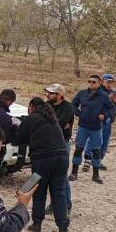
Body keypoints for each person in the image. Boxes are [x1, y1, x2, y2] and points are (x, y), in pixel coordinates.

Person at [15, 97, 71, 232]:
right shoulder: (52, 118)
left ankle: (37, 224)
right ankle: (63, 229)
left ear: (31, 106)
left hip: (42, 159)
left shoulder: (31, 118)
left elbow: (19, 139)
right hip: (62, 158)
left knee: (39, 191)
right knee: (59, 193)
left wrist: (17, 126)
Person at [70, 75, 115, 184]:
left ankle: (95, 175)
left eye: (94, 82)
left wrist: (104, 115)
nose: (91, 83)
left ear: (99, 83)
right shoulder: (82, 93)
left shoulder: (104, 96)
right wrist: (79, 113)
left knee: (96, 151)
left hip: (96, 128)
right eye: (89, 81)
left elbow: (112, 108)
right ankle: (74, 172)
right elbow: (73, 104)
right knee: (78, 149)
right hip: (83, 126)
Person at [44, 83, 74, 214]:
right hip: (48, 143)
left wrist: (50, 123)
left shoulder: (68, 107)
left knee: (61, 176)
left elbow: (59, 123)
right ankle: (54, 203)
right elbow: (52, 123)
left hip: (62, 144)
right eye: (48, 92)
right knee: (49, 175)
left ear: (60, 95)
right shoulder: (47, 105)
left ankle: (66, 204)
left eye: (51, 93)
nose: (47, 95)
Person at [84, 73, 116, 170]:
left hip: (109, 120)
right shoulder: (96, 91)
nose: (110, 84)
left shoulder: (113, 92)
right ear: (102, 81)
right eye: (108, 81)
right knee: (93, 139)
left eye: (111, 82)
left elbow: (115, 108)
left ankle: (98, 161)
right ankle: (87, 161)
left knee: (105, 141)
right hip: (98, 119)